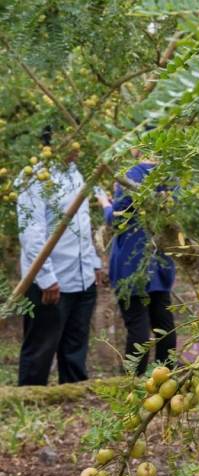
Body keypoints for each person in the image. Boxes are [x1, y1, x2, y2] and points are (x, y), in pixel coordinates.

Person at [16, 131, 104, 386]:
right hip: (51, 282)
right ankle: (30, 404)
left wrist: (94, 263)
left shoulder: (77, 173)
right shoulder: (34, 177)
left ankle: (75, 400)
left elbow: (82, 224)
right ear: (53, 142)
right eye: (71, 136)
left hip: (83, 278)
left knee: (75, 351)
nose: (77, 144)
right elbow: (32, 234)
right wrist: (46, 278)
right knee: (40, 350)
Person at [97, 152, 176, 376]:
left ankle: (131, 384)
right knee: (164, 325)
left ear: (137, 148)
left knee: (138, 328)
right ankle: (165, 380)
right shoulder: (171, 175)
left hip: (131, 263)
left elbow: (118, 218)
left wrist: (105, 205)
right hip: (159, 260)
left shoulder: (130, 174)